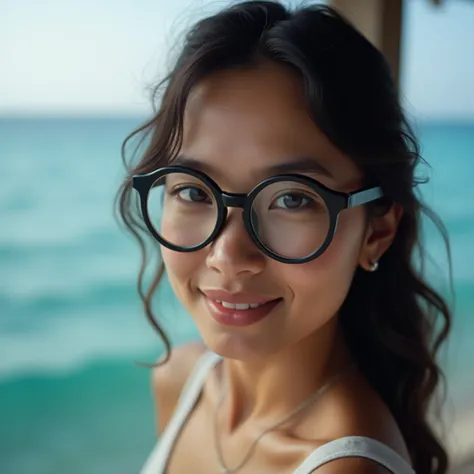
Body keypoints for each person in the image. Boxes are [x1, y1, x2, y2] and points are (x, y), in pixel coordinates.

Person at [116, 2, 452, 473]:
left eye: (292, 199)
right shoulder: (179, 379)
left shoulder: (345, 468)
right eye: (193, 190)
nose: (228, 255)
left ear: (376, 231)